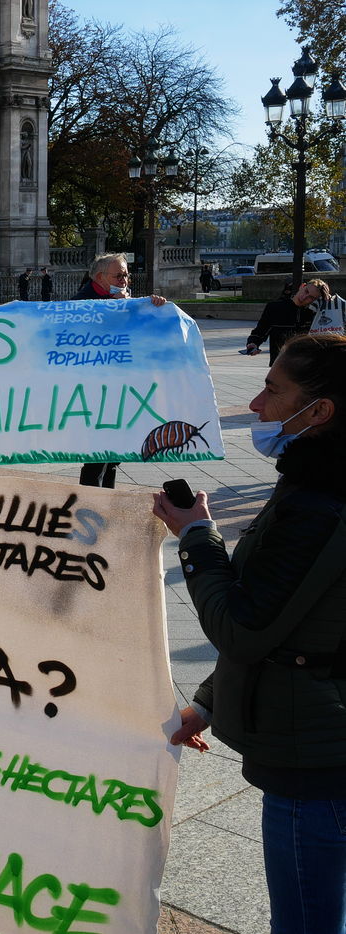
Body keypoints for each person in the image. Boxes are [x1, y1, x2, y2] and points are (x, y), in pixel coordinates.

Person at [153, 332, 346, 934]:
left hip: (315, 760)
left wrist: (196, 536)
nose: (257, 405)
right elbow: (297, 620)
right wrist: (211, 703)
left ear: (319, 411)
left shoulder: (318, 503)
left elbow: (245, 626)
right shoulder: (316, 483)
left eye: (272, 389)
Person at [72, 253, 167, 488]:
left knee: (114, 454)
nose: (124, 280)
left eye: (126, 275)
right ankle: (92, 500)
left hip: (121, 387)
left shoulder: (123, 298)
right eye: (119, 275)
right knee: (97, 455)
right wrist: (115, 308)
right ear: (100, 277)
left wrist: (152, 306)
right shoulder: (82, 301)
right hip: (96, 390)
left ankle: (108, 498)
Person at [244, 278, 324, 365]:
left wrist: (327, 299)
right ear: (302, 286)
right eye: (306, 291)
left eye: (311, 297)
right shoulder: (275, 307)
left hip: (304, 364)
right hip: (279, 364)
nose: (304, 297)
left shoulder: (315, 313)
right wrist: (253, 344)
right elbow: (260, 331)